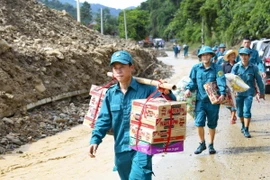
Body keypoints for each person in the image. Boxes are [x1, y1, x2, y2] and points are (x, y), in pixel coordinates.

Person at [88, 50, 176, 180]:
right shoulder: (111, 94)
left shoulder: (147, 89)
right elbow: (104, 120)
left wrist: (167, 92)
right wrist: (95, 140)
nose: (118, 71)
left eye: (122, 67)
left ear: (131, 67)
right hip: (121, 149)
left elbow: (170, 106)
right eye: (115, 68)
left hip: (142, 147)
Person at [184, 46, 226, 154]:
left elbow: (221, 81)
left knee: (212, 123)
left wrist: (222, 93)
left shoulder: (217, 68)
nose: (205, 57)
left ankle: (211, 145)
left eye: (207, 54)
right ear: (200, 57)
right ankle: (202, 143)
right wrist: (188, 89)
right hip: (200, 100)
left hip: (213, 102)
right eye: (203, 55)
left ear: (211, 56)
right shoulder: (196, 68)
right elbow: (193, 82)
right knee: (199, 123)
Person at [231, 48, 265, 138]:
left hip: (249, 93)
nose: (244, 57)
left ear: (249, 56)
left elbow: (259, 81)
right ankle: (242, 125)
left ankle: (246, 129)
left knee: (247, 111)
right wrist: (231, 92)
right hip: (238, 94)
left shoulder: (254, 68)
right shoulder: (236, 67)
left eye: (245, 55)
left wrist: (262, 92)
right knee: (240, 113)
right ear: (240, 56)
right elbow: (230, 80)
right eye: (242, 55)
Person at [222, 49, 238, 124]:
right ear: (228, 57)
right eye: (231, 55)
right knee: (228, 103)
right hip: (227, 86)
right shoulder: (224, 65)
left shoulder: (238, 64)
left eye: (234, 55)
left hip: (236, 86)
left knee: (235, 101)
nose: (233, 56)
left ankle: (232, 117)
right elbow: (221, 76)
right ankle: (232, 112)